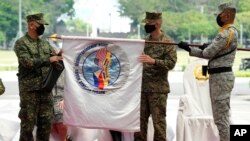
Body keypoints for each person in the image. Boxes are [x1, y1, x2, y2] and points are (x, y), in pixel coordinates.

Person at [178, 2, 238, 141]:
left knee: (221, 119)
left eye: (220, 14)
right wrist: (209, 47)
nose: (218, 16)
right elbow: (215, 50)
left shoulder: (225, 33)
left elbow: (207, 53)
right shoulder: (231, 32)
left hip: (220, 78)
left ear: (227, 15)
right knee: (222, 116)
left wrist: (188, 48)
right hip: (222, 77)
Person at [14, 13, 63, 141]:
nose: (42, 27)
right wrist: (49, 59)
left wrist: (65, 49)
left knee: (45, 124)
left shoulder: (45, 44)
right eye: (40, 25)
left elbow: (56, 56)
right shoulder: (21, 43)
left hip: (45, 90)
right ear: (31, 25)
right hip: (29, 91)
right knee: (28, 125)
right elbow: (27, 62)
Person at [134, 12, 177, 141]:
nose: (146, 25)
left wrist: (153, 61)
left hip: (158, 90)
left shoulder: (167, 42)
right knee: (140, 123)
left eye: (149, 23)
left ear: (157, 24)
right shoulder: (145, 42)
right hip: (142, 88)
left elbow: (171, 63)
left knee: (158, 123)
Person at [51, 72, 69, 141]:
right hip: (46, 98)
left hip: (62, 98)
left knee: (61, 120)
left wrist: (66, 99)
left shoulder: (67, 67)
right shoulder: (43, 65)